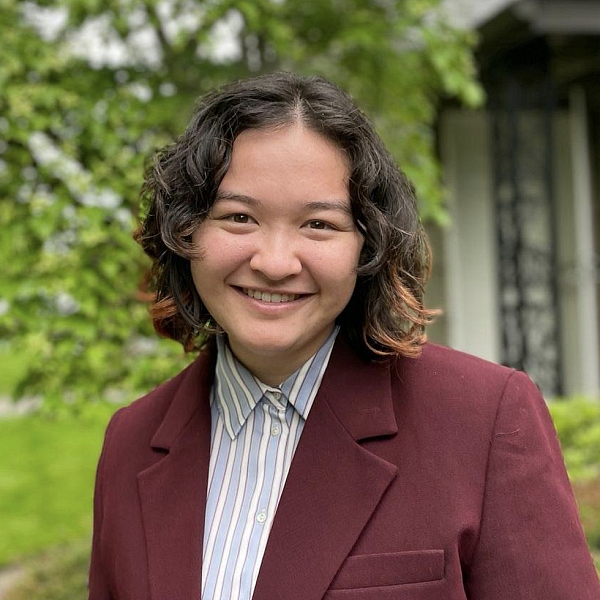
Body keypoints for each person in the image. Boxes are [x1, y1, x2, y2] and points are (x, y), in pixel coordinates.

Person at [88, 72, 600, 600]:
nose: (274, 262)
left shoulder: (483, 419)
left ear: (368, 246)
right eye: (239, 217)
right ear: (186, 232)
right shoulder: (131, 444)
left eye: (319, 225)